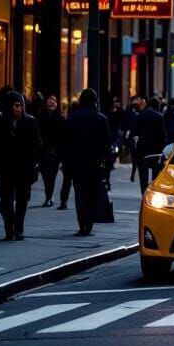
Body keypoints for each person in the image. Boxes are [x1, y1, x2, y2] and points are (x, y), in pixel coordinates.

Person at [0, 90, 41, 240]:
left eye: (20, 106)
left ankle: (18, 229)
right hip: (6, 168)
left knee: (22, 201)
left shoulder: (30, 121)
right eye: (15, 105)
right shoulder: (0, 121)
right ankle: (9, 227)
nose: (18, 109)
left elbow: (37, 144)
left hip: (24, 168)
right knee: (6, 201)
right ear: (8, 107)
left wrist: (34, 163)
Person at [65, 89, 113, 236]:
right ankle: (89, 224)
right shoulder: (101, 119)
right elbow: (107, 144)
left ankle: (82, 224)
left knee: (80, 194)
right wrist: (107, 165)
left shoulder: (73, 118)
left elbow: (66, 142)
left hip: (77, 163)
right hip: (95, 164)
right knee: (92, 194)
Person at [132, 96, 167, 193]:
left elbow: (134, 132)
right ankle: (153, 192)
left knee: (143, 175)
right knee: (155, 172)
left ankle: (144, 192)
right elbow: (163, 134)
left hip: (142, 148)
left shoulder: (141, 115)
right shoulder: (159, 117)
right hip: (156, 149)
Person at [37, 94, 66, 206]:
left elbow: (63, 137)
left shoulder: (60, 118)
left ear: (56, 104)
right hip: (43, 151)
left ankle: (49, 197)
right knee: (45, 175)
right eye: (49, 100)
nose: (51, 103)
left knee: (52, 176)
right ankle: (48, 196)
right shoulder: (40, 117)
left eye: (54, 101)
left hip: (55, 151)